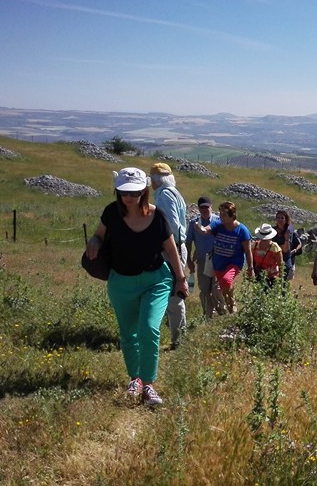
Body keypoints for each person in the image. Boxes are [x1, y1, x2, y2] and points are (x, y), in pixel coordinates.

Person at [85, 167, 188, 406]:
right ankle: (135, 379)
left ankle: (149, 385)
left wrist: (181, 279)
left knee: (149, 329)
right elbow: (99, 235)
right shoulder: (111, 213)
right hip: (121, 282)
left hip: (156, 280)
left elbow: (171, 249)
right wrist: (93, 239)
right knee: (129, 334)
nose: (128, 197)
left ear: (144, 190)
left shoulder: (158, 216)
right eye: (123, 192)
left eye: (133, 192)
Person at [150, 163, 188, 350]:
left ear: (156, 181)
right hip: (177, 247)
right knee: (173, 292)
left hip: (171, 248)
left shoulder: (164, 195)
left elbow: (171, 226)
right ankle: (178, 337)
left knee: (174, 295)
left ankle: (178, 341)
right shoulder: (174, 192)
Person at [195, 201, 253, 314]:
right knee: (226, 289)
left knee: (224, 283)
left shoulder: (242, 230)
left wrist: (250, 268)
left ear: (232, 215)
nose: (221, 216)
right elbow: (206, 230)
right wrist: (200, 228)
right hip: (219, 263)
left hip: (234, 263)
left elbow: (248, 251)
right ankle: (232, 309)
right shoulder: (218, 225)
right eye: (220, 213)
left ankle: (228, 306)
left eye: (224, 214)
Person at [186, 196, 224, 320]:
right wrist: (189, 261)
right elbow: (188, 242)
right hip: (202, 260)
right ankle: (207, 314)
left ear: (211, 207)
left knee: (217, 288)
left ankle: (220, 312)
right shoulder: (194, 223)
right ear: (198, 208)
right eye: (202, 207)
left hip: (218, 260)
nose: (204, 210)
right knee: (204, 289)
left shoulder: (219, 221)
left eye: (206, 207)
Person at [274, 210, 302, 281]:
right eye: (278, 218)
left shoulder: (289, 231)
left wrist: (294, 250)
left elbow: (297, 244)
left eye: (282, 218)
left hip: (286, 260)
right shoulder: (272, 230)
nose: (280, 220)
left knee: (284, 282)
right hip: (273, 260)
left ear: (286, 219)